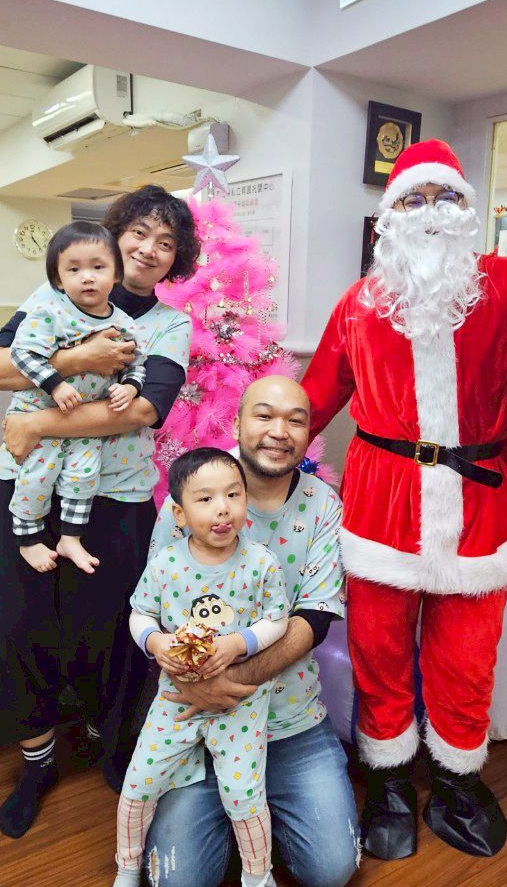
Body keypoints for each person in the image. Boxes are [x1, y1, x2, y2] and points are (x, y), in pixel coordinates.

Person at [302, 139, 507, 859]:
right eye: (414, 199)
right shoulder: (359, 302)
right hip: (382, 502)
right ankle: (388, 779)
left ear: (466, 208)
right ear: (391, 216)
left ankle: (457, 779)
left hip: (478, 503)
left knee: (467, 656)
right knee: (378, 650)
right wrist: (251, 452)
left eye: (446, 197)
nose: (431, 212)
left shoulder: (504, 282)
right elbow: (315, 395)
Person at [0, 185, 198, 837]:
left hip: (115, 499)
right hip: (25, 491)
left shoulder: (170, 326)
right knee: (16, 626)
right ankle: (37, 764)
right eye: (139, 233)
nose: (148, 249)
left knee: (109, 635)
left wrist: (37, 423)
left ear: (177, 258)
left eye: (166, 242)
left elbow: (145, 409)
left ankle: (112, 745)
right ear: (115, 234)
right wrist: (78, 360)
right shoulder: (52, 295)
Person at [142, 375, 359, 887]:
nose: (278, 431)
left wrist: (231, 682)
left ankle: (257, 813)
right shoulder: (193, 494)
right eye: (264, 415)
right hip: (196, 720)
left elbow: (314, 619)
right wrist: (201, 688)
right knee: (176, 881)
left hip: (289, 722)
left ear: (308, 433)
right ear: (237, 423)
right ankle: (236, 816)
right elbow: (155, 612)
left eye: (295, 420)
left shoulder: (323, 505)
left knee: (332, 871)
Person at [116, 448, 288, 887]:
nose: (222, 508)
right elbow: (140, 614)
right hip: (176, 696)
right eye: (206, 499)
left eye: (233, 494)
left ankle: (258, 876)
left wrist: (238, 643)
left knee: (243, 795)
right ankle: (127, 867)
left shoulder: (261, 563)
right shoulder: (166, 565)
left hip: (240, 702)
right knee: (138, 783)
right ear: (179, 513)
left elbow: (278, 620)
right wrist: (156, 641)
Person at [0, 221, 146, 573]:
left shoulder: (125, 323)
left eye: (98, 267)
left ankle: (70, 538)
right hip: (41, 411)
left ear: (116, 274)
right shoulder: (49, 312)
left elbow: (137, 364)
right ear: (59, 279)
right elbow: (22, 354)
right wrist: (55, 384)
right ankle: (28, 539)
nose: (87, 277)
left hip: (83, 419)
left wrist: (130, 387)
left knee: (84, 475)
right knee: (38, 475)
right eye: (74, 269)